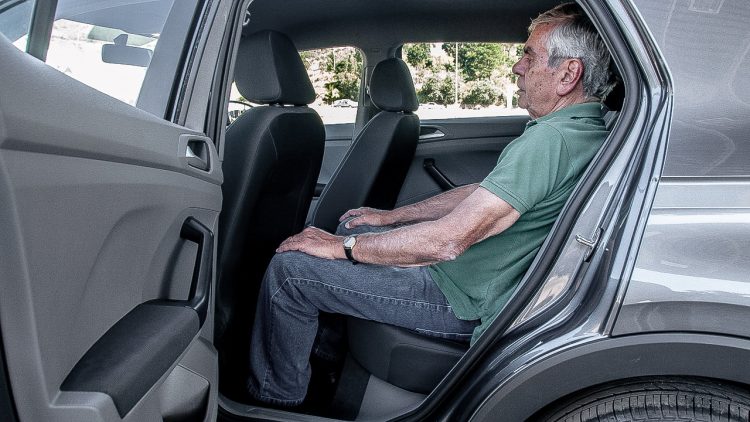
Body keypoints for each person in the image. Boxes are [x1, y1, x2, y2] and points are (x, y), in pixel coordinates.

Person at [247, 2, 615, 407]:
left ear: (568, 74)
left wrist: (340, 248)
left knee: (290, 271)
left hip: (463, 300)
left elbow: (448, 242)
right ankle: (325, 360)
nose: (517, 67)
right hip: (467, 279)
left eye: (529, 55)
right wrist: (390, 218)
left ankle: (274, 401)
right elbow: (483, 192)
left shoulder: (551, 141)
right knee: (356, 227)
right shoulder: (579, 131)